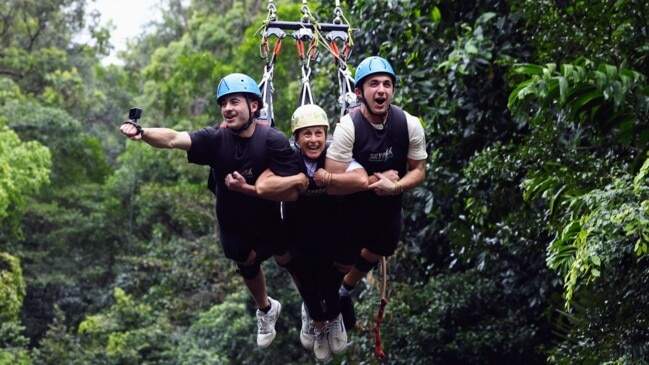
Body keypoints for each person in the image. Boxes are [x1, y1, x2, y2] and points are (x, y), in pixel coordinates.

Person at [119, 73, 308, 349]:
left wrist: (256, 187)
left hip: (268, 220)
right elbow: (173, 138)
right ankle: (266, 310)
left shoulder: (272, 140)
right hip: (233, 226)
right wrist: (143, 132)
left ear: (253, 106)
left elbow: (297, 186)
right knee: (246, 263)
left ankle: (313, 308)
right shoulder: (215, 139)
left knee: (289, 259)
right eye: (224, 104)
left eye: (234, 102)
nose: (228, 108)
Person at [256, 104, 367, 361]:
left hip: (331, 231)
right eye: (307, 134)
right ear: (296, 138)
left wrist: (328, 179)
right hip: (298, 232)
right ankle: (317, 320)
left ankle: (333, 317)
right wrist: (294, 181)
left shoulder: (334, 154)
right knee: (304, 279)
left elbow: (360, 178)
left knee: (329, 282)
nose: (314, 140)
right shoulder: (289, 157)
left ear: (326, 135)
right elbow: (263, 185)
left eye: (319, 133)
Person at [324, 56, 428, 329]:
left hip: (388, 211)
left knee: (379, 250)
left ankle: (344, 292)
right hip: (351, 211)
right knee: (343, 261)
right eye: (373, 84)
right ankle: (326, 309)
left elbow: (418, 170)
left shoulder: (409, 124)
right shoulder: (349, 127)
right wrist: (373, 181)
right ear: (359, 92)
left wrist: (396, 186)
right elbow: (331, 182)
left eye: (386, 84)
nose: (381, 90)